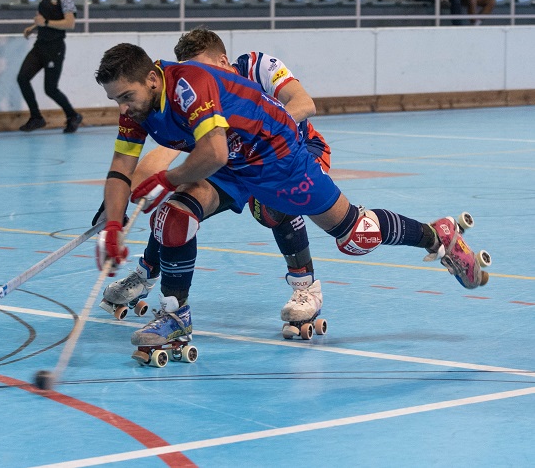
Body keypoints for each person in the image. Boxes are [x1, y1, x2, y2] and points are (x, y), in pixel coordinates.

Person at [94, 42, 488, 348]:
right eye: (116, 100)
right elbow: (120, 170)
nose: (122, 107)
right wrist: (112, 226)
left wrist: (170, 176)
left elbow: (209, 152)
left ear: (150, 78)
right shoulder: (139, 107)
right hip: (232, 165)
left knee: (357, 234)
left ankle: (438, 236)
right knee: (173, 216)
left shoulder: (189, 85)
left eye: (125, 96)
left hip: (276, 158)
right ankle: (176, 314)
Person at [98, 28, 331, 331]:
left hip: (293, 151)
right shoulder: (191, 97)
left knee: (272, 201)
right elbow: (157, 161)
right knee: (177, 206)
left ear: (223, 61)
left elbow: (304, 103)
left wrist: (257, 129)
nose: (199, 78)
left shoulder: (257, 66)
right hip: (234, 161)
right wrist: (116, 209)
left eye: (203, 69)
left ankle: (305, 288)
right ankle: (147, 274)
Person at [17, 0, 83, 134]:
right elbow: (44, 19)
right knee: (22, 78)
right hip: (40, 45)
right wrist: (34, 27)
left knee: (50, 89)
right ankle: (36, 117)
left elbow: (70, 23)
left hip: (55, 47)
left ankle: (73, 115)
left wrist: (45, 22)